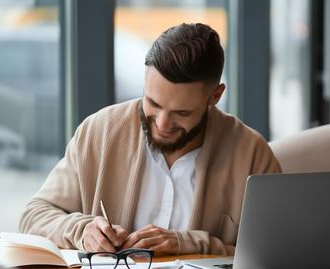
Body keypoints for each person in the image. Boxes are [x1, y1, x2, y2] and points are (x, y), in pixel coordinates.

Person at [19, 23, 281, 256]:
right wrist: (82, 230)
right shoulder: (99, 132)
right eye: (153, 103)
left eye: (182, 112)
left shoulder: (252, 153)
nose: (163, 124)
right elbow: (34, 214)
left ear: (215, 97)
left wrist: (188, 243)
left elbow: (277, 252)